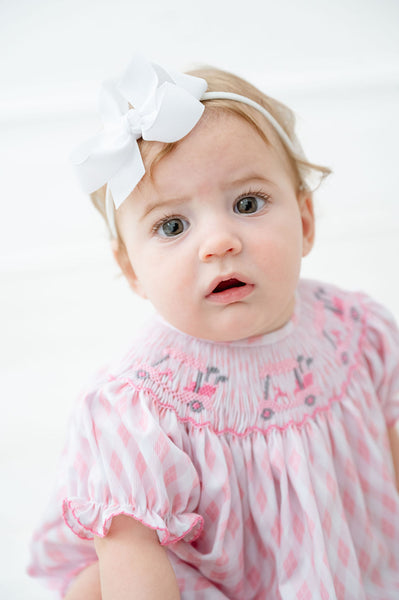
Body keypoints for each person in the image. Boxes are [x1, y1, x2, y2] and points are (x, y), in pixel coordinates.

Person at [28, 55, 399, 599]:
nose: (219, 241)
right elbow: (139, 576)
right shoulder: (134, 410)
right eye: (172, 225)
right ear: (133, 269)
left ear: (304, 221)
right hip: (198, 583)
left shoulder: (356, 331)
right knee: (97, 585)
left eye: (247, 203)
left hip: (349, 570)